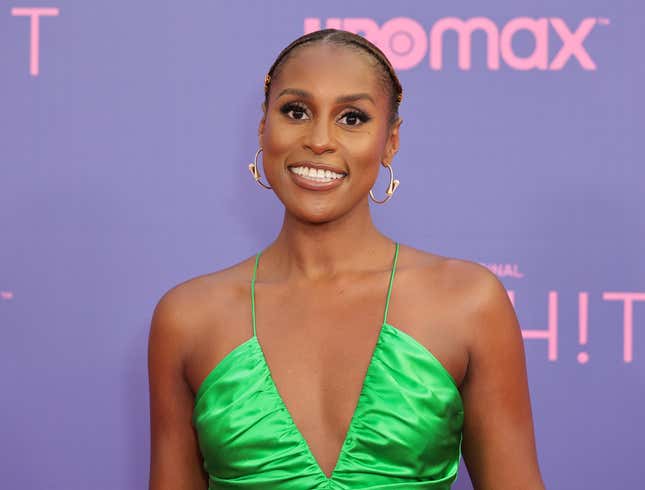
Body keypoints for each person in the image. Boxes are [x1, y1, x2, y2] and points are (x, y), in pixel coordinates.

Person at [148, 29, 546, 490]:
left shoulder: (469, 303)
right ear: (263, 127)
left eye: (352, 118)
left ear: (391, 141)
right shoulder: (188, 317)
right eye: (295, 111)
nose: (319, 140)